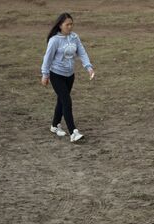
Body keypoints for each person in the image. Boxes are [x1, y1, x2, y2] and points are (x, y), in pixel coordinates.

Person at [41, 13, 94, 143]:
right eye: (67, 24)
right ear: (60, 25)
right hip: (56, 75)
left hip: (70, 75)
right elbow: (47, 59)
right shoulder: (54, 40)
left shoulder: (75, 37)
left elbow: (81, 52)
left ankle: (55, 125)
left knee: (61, 100)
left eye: (71, 24)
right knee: (66, 101)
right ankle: (73, 132)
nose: (70, 27)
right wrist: (45, 74)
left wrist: (88, 67)